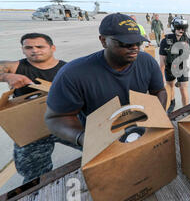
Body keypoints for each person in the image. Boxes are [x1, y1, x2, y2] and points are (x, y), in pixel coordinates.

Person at [44, 13, 167, 147]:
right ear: (103, 41)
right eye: (125, 43)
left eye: (138, 42)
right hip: (100, 139)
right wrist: (82, 138)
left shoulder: (147, 62)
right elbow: (55, 118)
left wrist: (156, 117)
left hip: (140, 132)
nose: (135, 47)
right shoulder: (73, 74)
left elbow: (159, 91)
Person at [0, 33, 78, 184]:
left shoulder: (67, 68)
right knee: (34, 176)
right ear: (23, 50)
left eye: (40, 46)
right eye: (28, 47)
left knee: (97, 148)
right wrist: (7, 77)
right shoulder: (16, 67)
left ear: (52, 48)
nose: (34, 50)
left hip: (64, 123)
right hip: (32, 130)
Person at [159, 17, 190, 113]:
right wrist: (162, 78)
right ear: (174, 27)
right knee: (170, 86)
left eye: (183, 28)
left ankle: (186, 110)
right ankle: (172, 101)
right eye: (179, 27)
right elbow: (162, 62)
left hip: (182, 68)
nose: (181, 30)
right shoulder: (165, 41)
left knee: (183, 88)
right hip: (169, 68)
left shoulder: (187, 40)